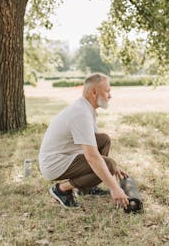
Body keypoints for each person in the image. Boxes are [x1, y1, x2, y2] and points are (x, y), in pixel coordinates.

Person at [39, 73, 129, 209]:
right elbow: (92, 157)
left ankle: (86, 187)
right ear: (94, 92)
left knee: (104, 140)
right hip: (54, 163)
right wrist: (115, 187)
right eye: (107, 91)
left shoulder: (85, 108)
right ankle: (62, 189)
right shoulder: (81, 113)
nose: (110, 96)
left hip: (67, 156)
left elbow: (93, 144)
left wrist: (115, 167)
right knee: (108, 165)